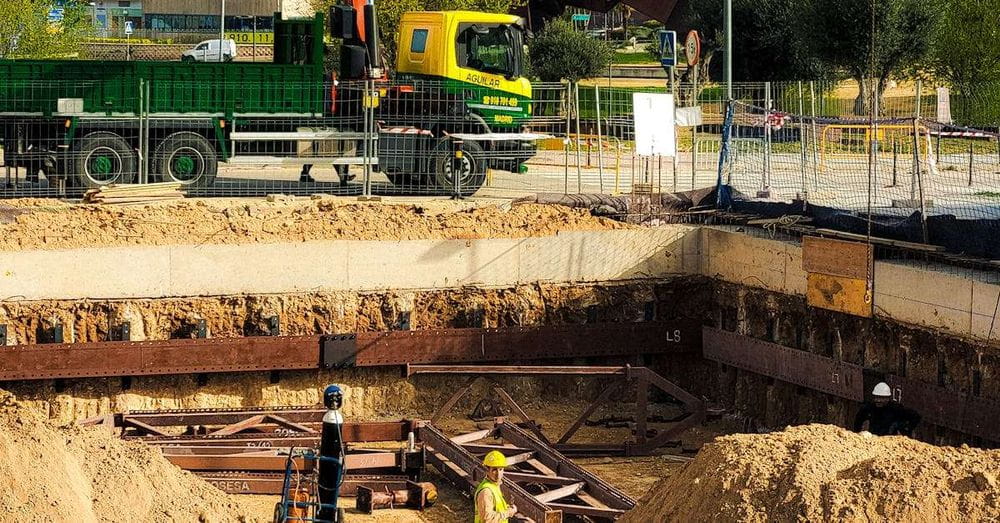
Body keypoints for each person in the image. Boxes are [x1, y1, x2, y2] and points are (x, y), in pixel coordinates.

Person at [853, 382, 921, 436]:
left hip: (889, 442)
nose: (878, 400)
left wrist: (903, 427)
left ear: (887, 398)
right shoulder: (869, 407)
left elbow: (915, 416)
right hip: (874, 440)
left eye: (881, 398)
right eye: (876, 397)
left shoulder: (895, 409)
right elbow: (858, 420)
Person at [475, 450, 518, 523]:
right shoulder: (486, 492)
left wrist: (505, 508)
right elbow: (487, 519)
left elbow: (495, 507)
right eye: (494, 470)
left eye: (500, 469)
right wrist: (508, 513)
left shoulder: (494, 486)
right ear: (487, 470)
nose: (498, 474)